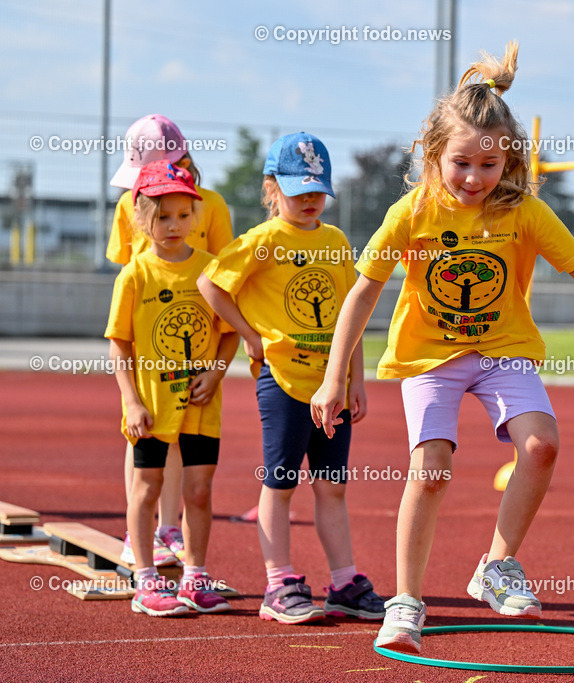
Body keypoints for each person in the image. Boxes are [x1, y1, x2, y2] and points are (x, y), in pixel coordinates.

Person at [309, 41, 574, 654]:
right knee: (431, 473)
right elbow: (362, 294)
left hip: (504, 349)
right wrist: (332, 377)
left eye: (489, 165)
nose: (475, 178)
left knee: (543, 445)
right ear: (433, 157)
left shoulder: (525, 212)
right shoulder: (411, 213)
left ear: (508, 163)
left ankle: (497, 567)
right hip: (431, 356)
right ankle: (407, 600)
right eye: (461, 164)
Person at [198, 132, 385, 625]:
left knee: (332, 486)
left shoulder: (336, 241)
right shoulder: (263, 242)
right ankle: (278, 582)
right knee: (279, 484)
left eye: (316, 190)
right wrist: (248, 336)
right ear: (271, 190)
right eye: (297, 189)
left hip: (331, 389)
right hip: (282, 381)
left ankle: (344, 582)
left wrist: (356, 381)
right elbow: (210, 284)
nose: (308, 200)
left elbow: (353, 315)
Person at [106, 161, 238, 616]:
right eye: (163, 216)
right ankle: (145, 580)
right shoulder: (135, 275)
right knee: (146, 489)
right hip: (152, 408)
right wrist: (131, 400)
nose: (174, 225)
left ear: (196, 217)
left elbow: (230, 331)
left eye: (184, 215)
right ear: (142, 219)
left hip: (202, 406)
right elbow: (119, 344)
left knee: (199, 492)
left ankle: (195, 576)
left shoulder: (210, 270)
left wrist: (216, 373)